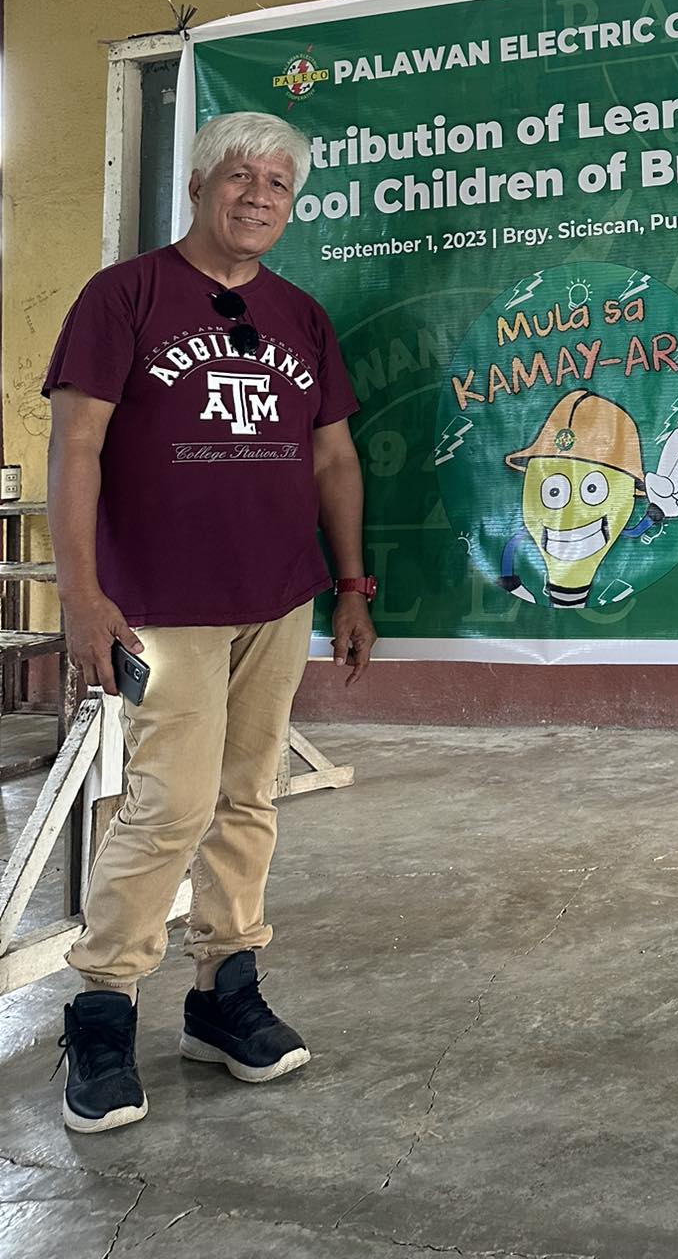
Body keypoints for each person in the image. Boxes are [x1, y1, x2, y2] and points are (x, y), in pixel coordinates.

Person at [45, 110, 377, 1133]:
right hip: (160, 606)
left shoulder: (301, 315)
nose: (258, 195)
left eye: (279, 182)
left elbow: (331, 457)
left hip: (275, 597)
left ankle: (223, 991)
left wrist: (351, 582)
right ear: (197, 183)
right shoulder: (125, 296)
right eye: (240, 175)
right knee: (168, 804)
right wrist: (83, 592)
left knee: (248, 796)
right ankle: (100, 1009)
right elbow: (77, 447)